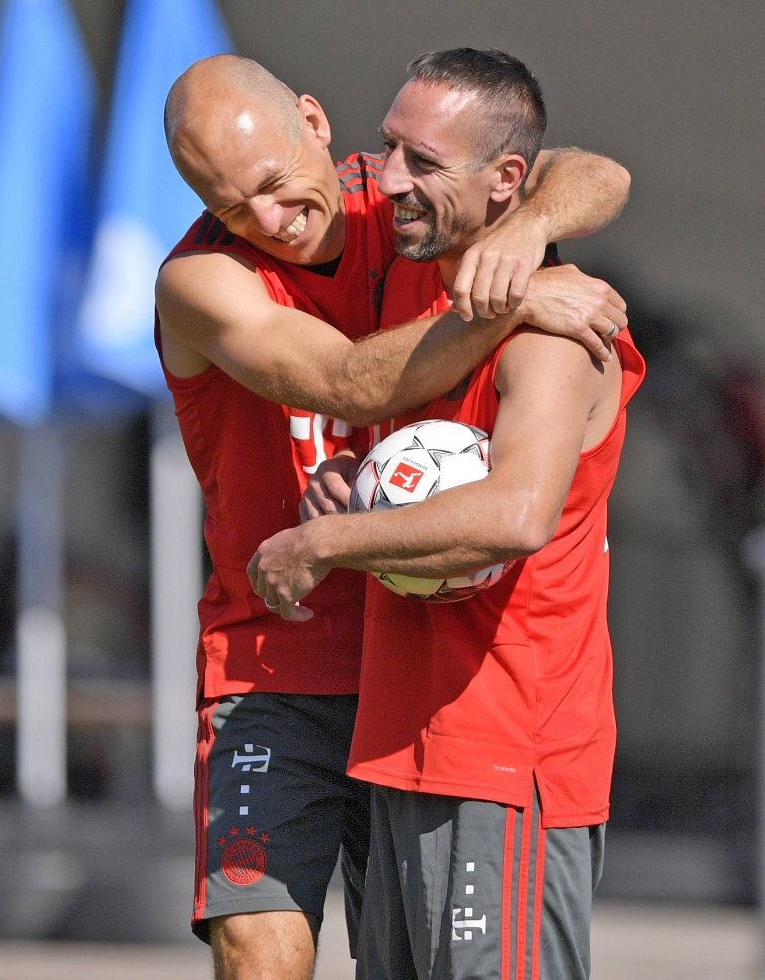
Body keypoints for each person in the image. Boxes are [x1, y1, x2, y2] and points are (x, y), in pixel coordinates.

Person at [156, 53, 630, 979]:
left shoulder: (409, 204)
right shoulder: (201, 279)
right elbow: (350, 384)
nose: (265, 221)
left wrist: (523, 234)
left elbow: (594, 173)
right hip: (274, 658)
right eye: (226, 202)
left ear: (316, 123)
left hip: (409, 663)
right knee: (260, 945)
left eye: (273, 186)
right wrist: (517, 293)